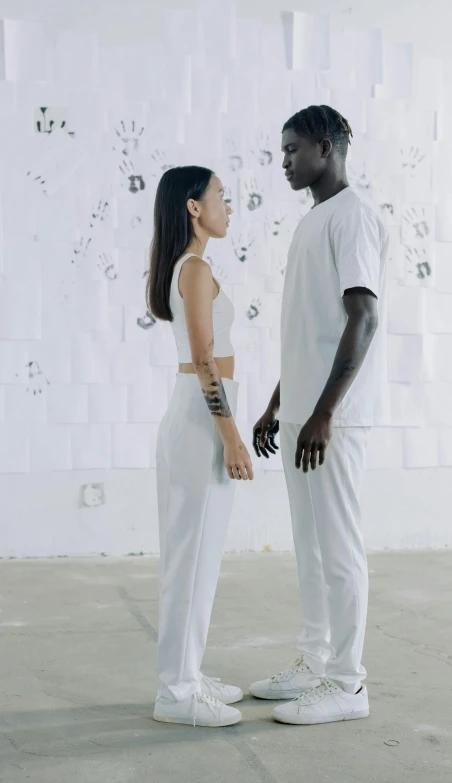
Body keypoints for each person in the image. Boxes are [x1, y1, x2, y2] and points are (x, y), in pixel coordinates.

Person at [250, 105, 389, 725]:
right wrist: (279, 404)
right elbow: (314, 327)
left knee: (338, 548)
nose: (283, 161)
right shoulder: (315, 220)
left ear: (325, 148)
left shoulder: (353, 217)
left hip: (334, 419)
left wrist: (324, 412)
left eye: (291, 149)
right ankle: (313, 660)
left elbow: (363, 316)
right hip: (304, 415)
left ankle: (348, 683)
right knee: (309, 547)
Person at [147, 166, 254, 727]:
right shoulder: (194, 268)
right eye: (221, 197)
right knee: (190, 560)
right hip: (201, 421)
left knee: (196, 556)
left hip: (196, 418)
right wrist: (232, 436)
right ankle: (177, 691)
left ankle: (188, 671)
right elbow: (205, 358)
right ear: (194, 208)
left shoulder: (190, 267)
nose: (228, 206)